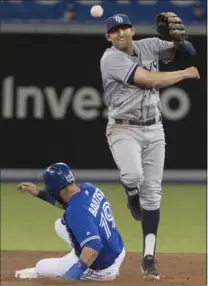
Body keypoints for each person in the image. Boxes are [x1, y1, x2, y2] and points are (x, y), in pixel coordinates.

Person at [100, 13, 200, 280]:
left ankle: (148, 258)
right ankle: (131, 193)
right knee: (133, 176)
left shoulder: (150, 46)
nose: (120, 33)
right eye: (114, 31)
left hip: (154, 128)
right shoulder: (110, 59)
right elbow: (150, 80)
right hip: (124, 127)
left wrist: (179, 38)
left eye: (124, 28)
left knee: (153, 195)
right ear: (109, 37)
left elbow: (188, 53)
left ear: (132, 30)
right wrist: (184, 74)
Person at [15, 162, 125, 281]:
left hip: (102, 268)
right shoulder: (89, 188)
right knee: (60, 224)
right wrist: (39, 193)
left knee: (41, 266)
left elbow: (94, 247)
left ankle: (87, 267)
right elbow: (70, 205)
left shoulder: (76, 211)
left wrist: (71, 274)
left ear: (56, 189)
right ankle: (83, 249)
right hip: (117, 250)